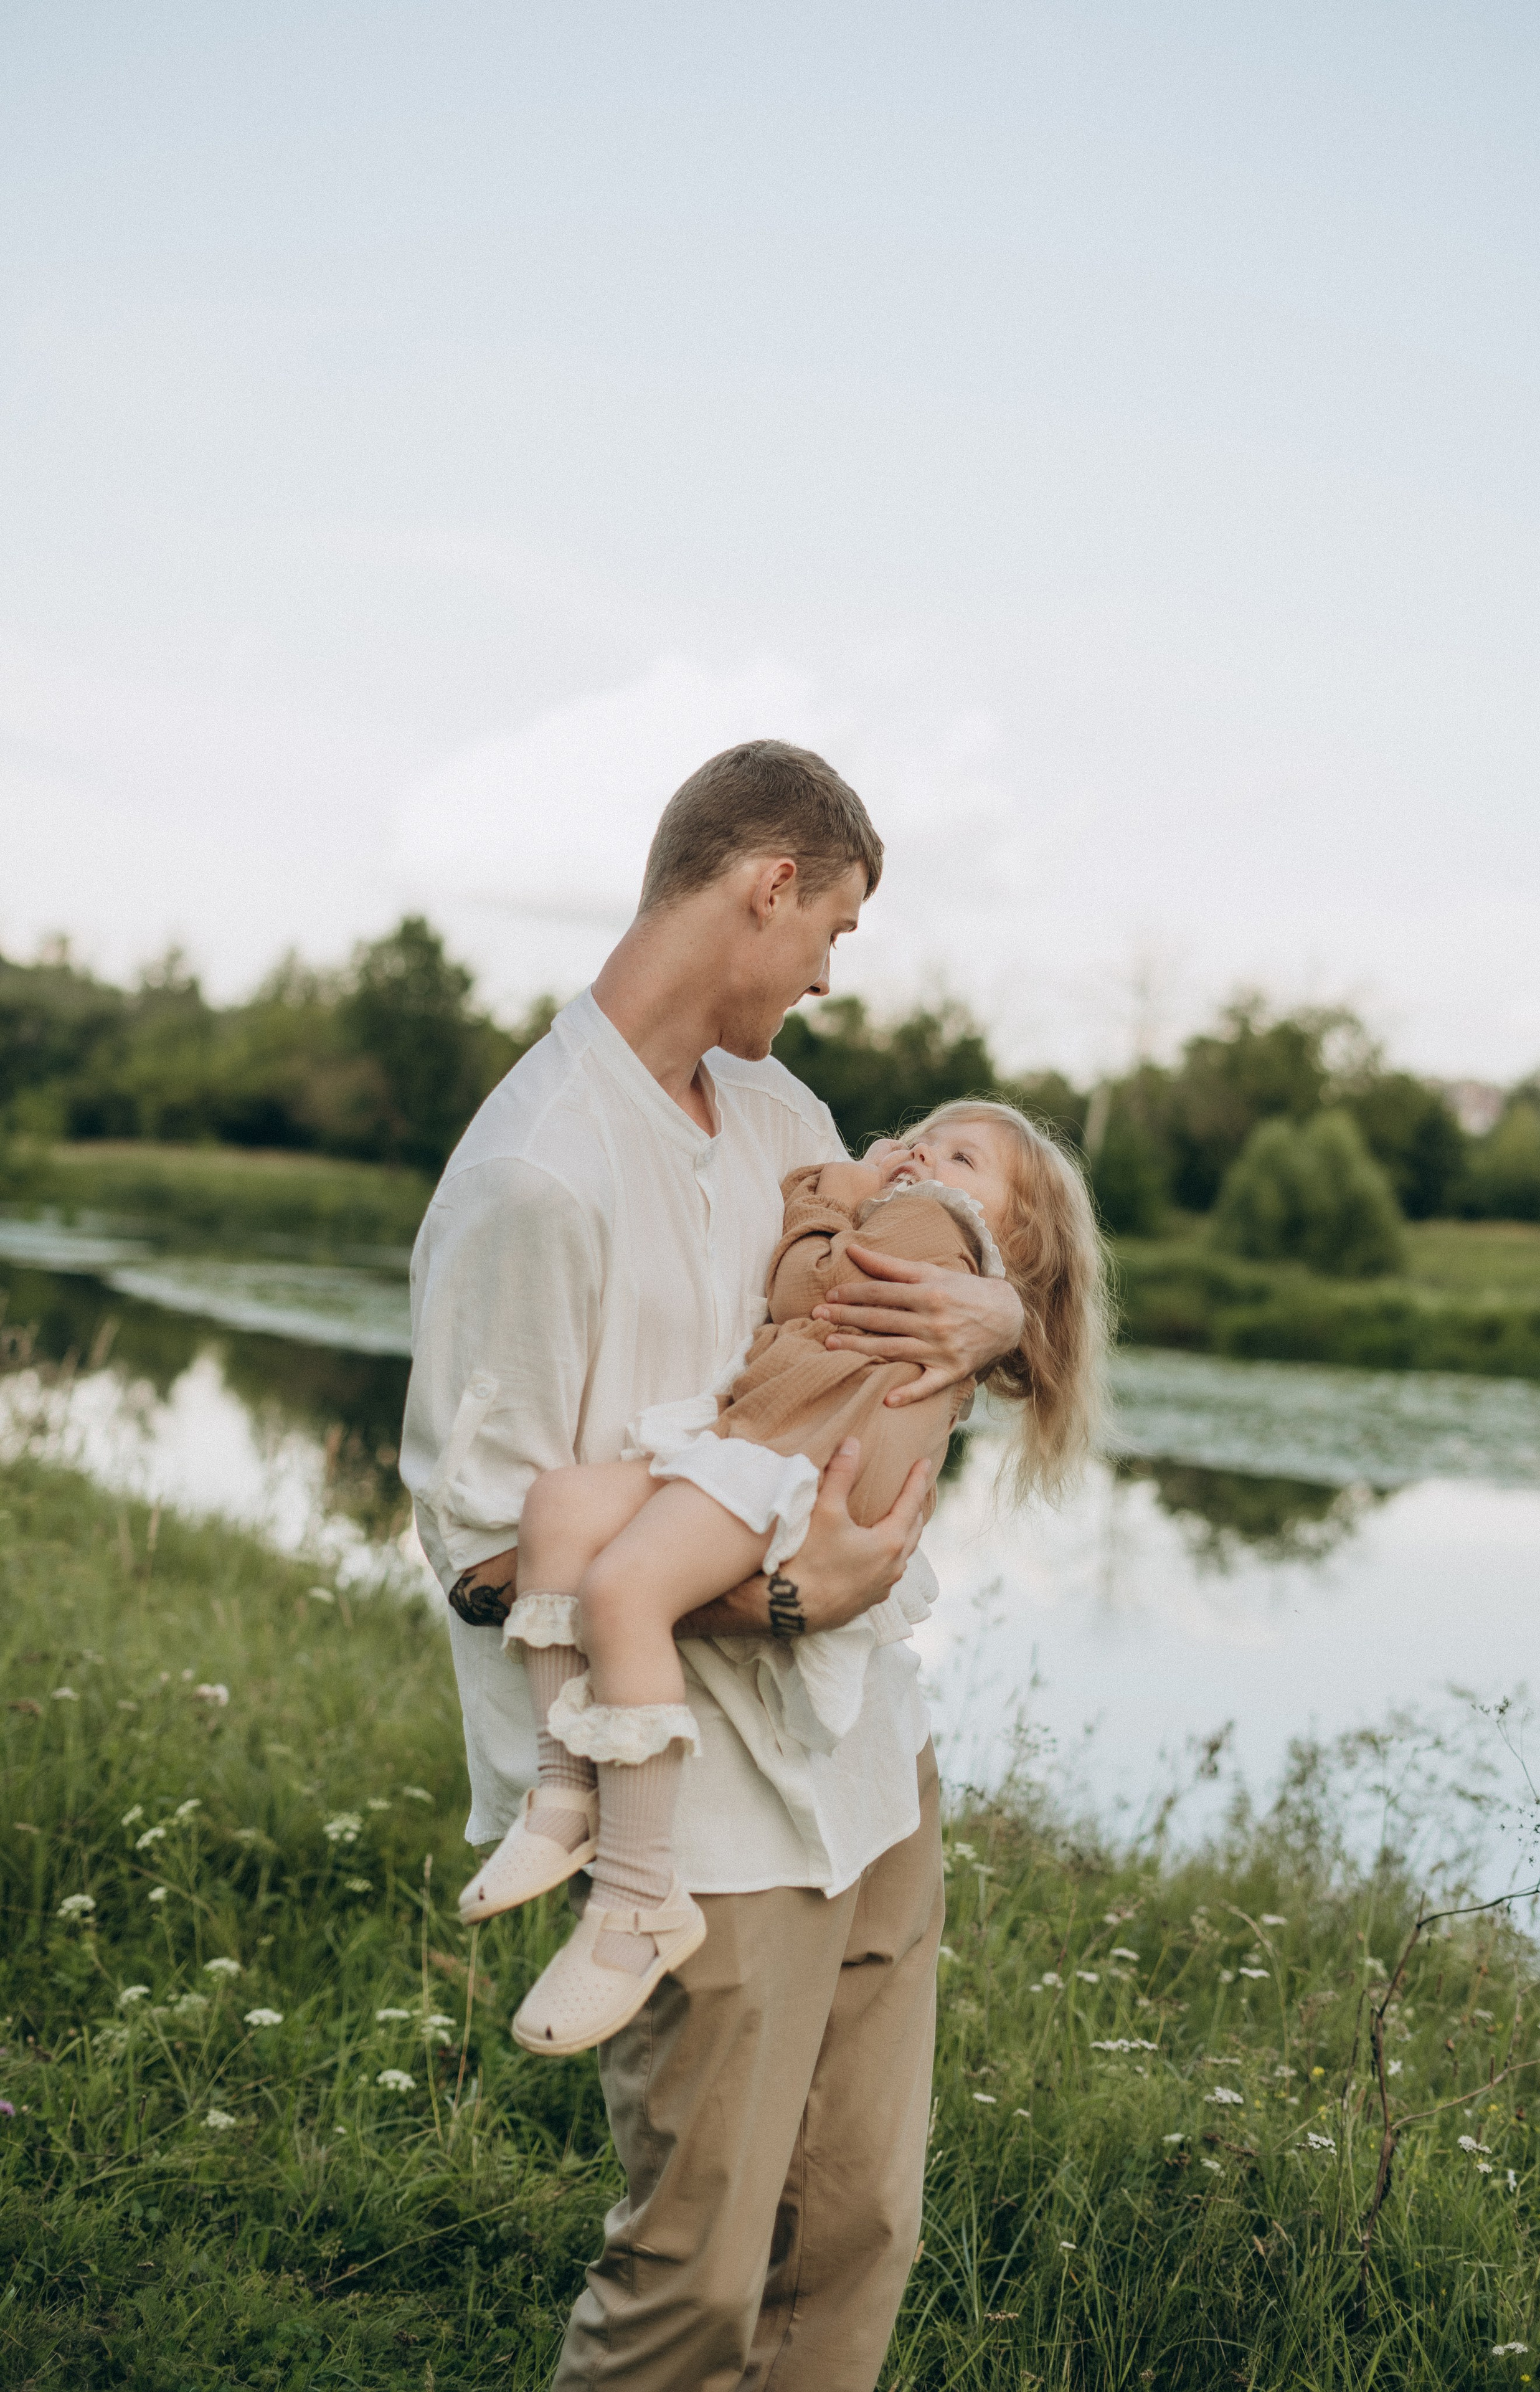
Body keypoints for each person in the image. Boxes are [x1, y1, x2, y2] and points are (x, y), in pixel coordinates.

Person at [401, 739, 1029, 2392]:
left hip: (867, 1766)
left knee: (854, 2242)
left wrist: (1005, 1320)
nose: (830, 975)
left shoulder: (783, 1114)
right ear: (771, 885)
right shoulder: (538, 1174)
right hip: (702, 1819)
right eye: (832, 931)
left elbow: (880, 1343)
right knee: (691, 2283)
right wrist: (784, 1590)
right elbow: (481, 1547)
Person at [456, 1103, 1105, 2059]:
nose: (925, 1152)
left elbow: (813, 1286)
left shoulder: (933, 1225)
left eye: (962, 1155)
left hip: (793, 1468)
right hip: (756, 1440)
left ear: (1009, 1230)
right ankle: (565, 1791)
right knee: (559, 1509)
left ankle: (639, 1897)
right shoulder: (941, 1228)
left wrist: (825, 1193)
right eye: (926, 1135)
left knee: (624, 1592)